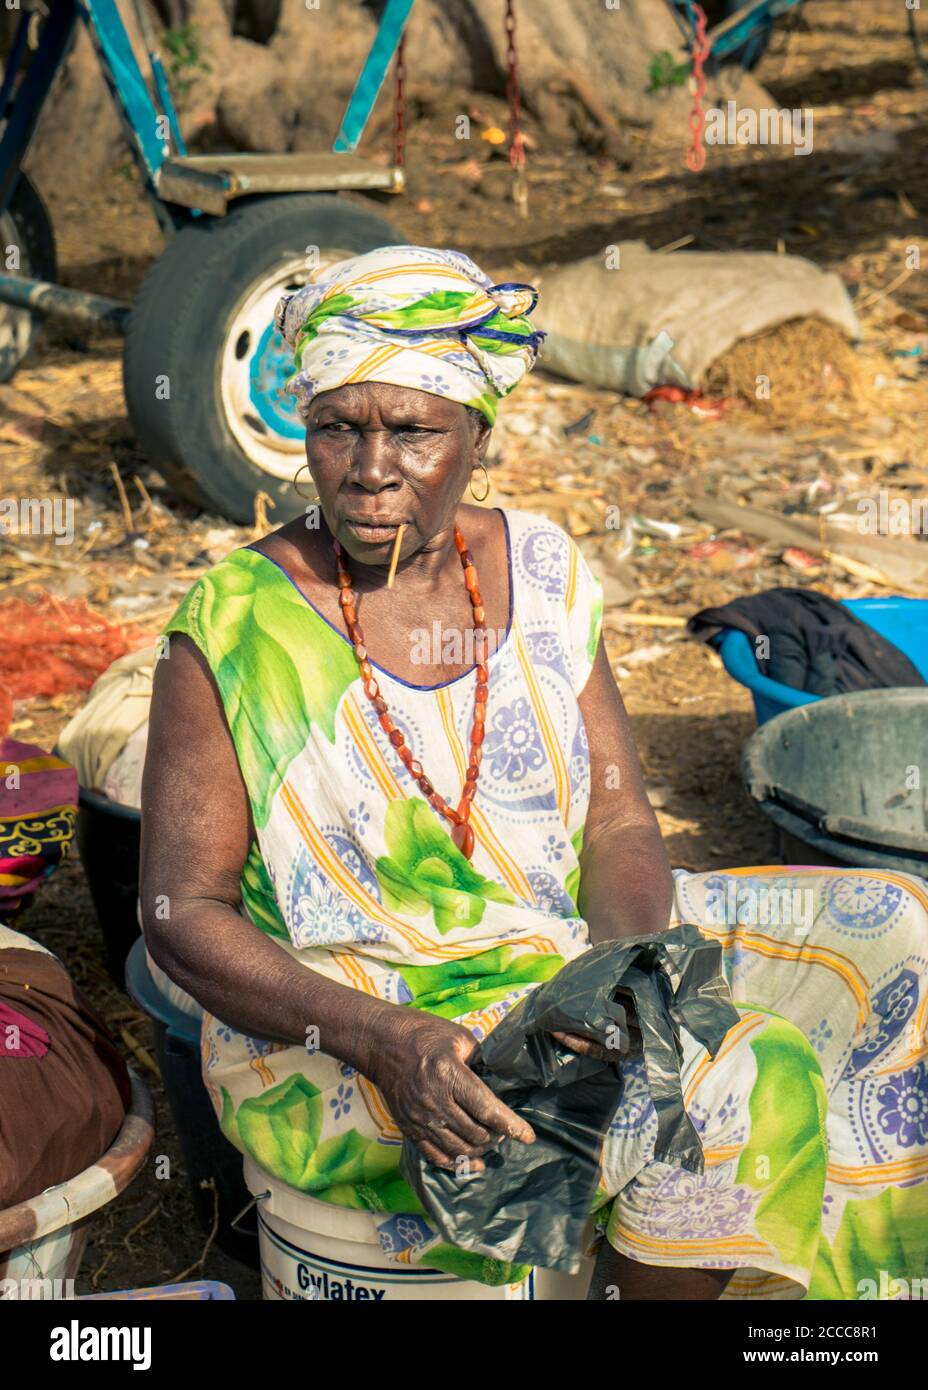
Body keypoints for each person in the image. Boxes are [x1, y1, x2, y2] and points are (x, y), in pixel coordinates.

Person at [141, 245, 928, 1299]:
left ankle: (803, 1286)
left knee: (895, 927)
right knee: (743, 1072)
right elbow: (179, 910)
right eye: (338, 426)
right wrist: (377, 1035)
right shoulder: (231, 625)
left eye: (412, 429)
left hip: (555, 950)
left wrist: (626, 974)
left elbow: (619, 830)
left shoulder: (545, 572)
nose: (370, 468)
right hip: (356, 1018)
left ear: (477, 436)